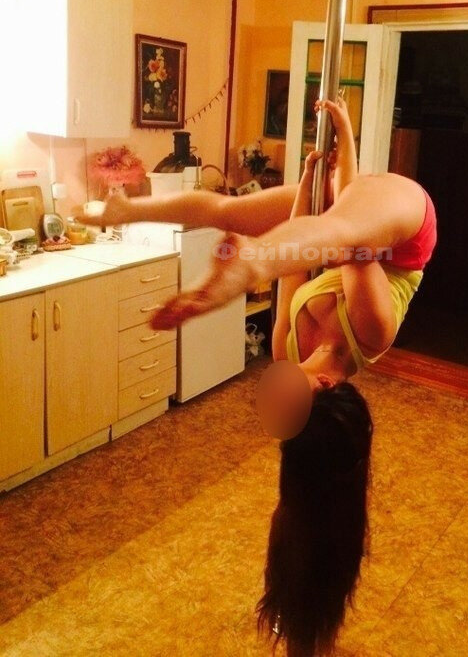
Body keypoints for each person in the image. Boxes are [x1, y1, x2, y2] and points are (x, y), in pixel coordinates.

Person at [77, 97, 436, 656]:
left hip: (343, 223)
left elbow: (305, 243)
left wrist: (310, 189)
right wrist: (345, 148)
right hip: (402, 234)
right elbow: (353, 240)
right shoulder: (371, 333)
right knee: (338, 226)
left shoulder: (285, 347)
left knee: (229, 212)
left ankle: (128, 210)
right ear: (325, 388)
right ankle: (250, 262)